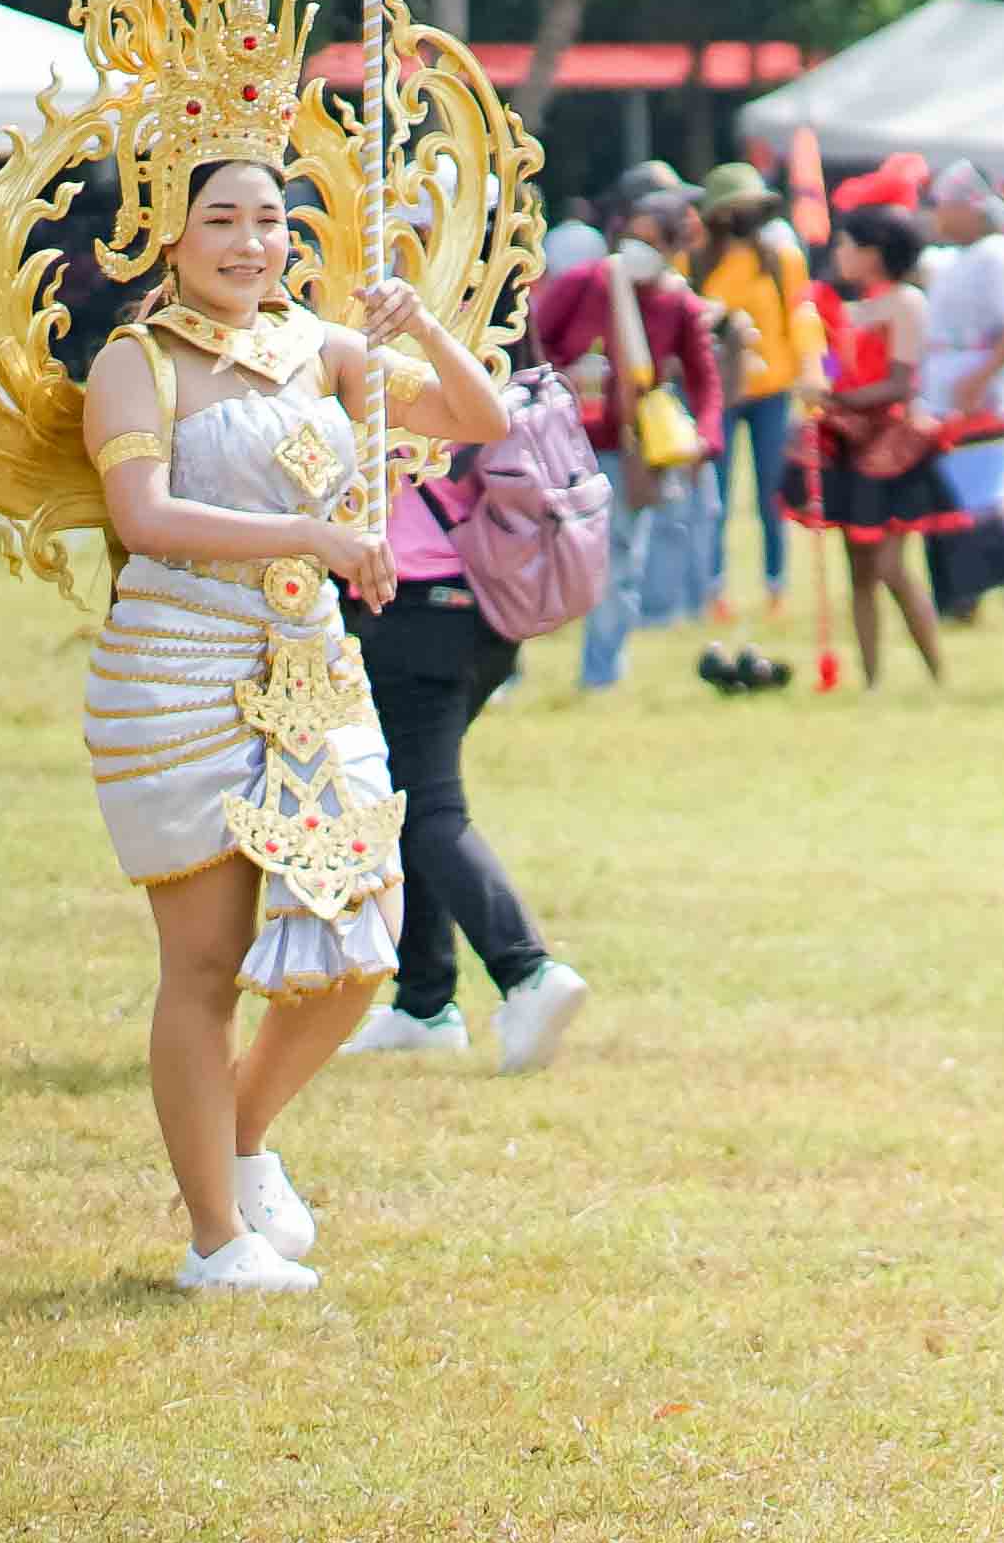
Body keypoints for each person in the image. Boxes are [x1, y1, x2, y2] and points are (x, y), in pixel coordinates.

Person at [77, 156, 516, 1289]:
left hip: (314, 672)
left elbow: (481, 416)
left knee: (363, 939)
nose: (249, 242)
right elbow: (145, 516)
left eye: (269, 219)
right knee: (208, 962)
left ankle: (239, 1135)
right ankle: (215, 1239)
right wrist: (312, 541)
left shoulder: (322, 348)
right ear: (169, 234)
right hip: (179, 673)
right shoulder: (137, 362)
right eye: (220, 218)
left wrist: (420, 322)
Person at [343, 349, 598, 1072]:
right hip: (482, 612)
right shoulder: (473, 350)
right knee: (406, 801)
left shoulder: (380, 360)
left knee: (426, 808)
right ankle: (424, 1003)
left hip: (409, 609)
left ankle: (527, 972)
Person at [526, 191, 722, 697]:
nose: (640, 249)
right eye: (634, 236)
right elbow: (533, 341)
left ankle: (601, 673)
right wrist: (565, 374)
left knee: (619, 560)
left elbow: (705, 378)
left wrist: (705, 439)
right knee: (532, 552)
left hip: (627, 450)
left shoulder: (678, 303)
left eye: (654, 241)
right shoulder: (584, 283)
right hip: (560, 443)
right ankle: (507, 669)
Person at [794, 207, 962, 690]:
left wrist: (835, 399)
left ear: (874, 253)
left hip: (893, 446)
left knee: (891, 567)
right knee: (861, 572)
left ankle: (937, 673)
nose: (839, 254)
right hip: (850, 441)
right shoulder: (847, 308)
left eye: (848, 245)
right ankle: (871, 681)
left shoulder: (905, 303)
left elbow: (899, 383)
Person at [912, 169, 1004, 628]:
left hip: (985, 400)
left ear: (969, 207)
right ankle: (963, 599)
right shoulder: (956, 258)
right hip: (948, 397)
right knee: (953, 504)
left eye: (942, 205)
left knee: (989, 503)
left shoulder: (999, 256)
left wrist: (980, 376)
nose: (936, 215)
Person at [690, 161, 818, 621]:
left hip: (772, 390)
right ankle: (712, 589)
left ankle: (776, 584)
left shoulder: (782, 259)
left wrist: (812, 371)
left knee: (771, 493)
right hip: (716, 391)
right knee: (716, 496)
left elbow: (801, 319)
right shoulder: (695, 261)